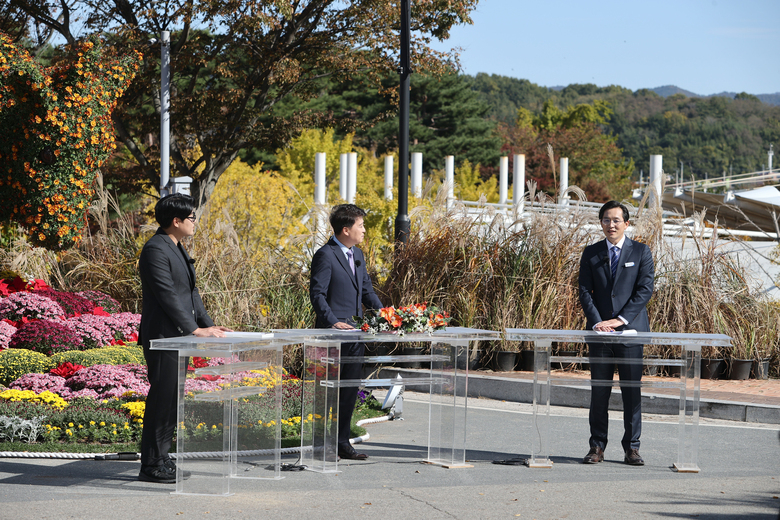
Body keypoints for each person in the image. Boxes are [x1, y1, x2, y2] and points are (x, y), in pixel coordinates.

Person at [137, 194, 232, 483]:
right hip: (164, 337)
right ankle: (151, 464)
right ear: (175, 221)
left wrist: (209, 326)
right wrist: (194, 329)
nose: (195, 222)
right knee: (162, 401)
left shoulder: (176, 247)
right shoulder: (155, 249)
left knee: (172, 401)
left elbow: (191, 294)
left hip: (178, 338)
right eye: (191, 218)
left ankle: (163, 458)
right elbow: (167, 296)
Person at [578, 200, 654, 466]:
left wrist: (619, 320)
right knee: (600, 392)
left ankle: (632, 448)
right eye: (606, 220)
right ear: (601, 223)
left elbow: (644, 290)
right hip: (600, 334)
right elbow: (585, 291)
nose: (611, 225)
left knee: (632, 393)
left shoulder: (641, 251)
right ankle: (596, 446)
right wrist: (599, 322)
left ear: (626, 223)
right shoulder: (591, 252)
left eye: (616, 220)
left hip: (631, 332)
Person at [309, 204, 383, 460]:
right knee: (329, 392)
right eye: (360, 226)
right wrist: (332, 322)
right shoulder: (325, 255)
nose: (364, 230)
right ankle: (323, 444)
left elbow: (368, 292)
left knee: (349, 390)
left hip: (356, 335)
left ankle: (342, 442)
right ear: (345, 229)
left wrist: (386, 316)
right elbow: (317, 295)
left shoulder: (357, 254)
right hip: (333, 336)